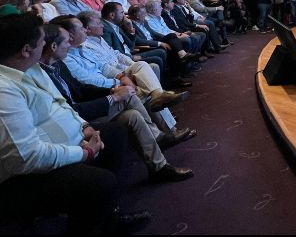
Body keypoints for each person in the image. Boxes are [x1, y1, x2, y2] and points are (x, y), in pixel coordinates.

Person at [0, 12, 150, 234]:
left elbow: (60, 104)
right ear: (26, 49)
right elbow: (27, 158)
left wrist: (84, 126)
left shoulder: (20, 64)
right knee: (97, 183)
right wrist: (84, 153)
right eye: (41, 42)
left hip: (37, 153)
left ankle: (107, 216)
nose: (46, 46)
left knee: (113, 134)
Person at [40, 24, 194, 183]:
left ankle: (159, 167)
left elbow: (82, 89)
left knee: (132, 114)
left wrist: (115, 89)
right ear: (53, 46)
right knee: (130, 96)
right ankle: (159, 132)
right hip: (75, 121)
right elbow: (70, 107)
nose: (69, 43)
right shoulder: (42, 74)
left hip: (86, 108)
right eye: (66, 41)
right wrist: (112, 97)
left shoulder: (58, 65)